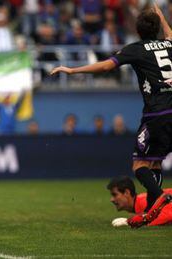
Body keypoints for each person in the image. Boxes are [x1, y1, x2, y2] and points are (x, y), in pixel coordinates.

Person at [50, 4, 172, 227]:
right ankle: (154, 209)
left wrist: (72, 70)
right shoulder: (169, 43)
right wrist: (162, 16)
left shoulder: (136, 49)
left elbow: (106, 66)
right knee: (154, 162)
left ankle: (161, 197)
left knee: (139, 165)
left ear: (137, 30)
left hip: (158, 112)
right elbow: (169, 34)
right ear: (157, 28)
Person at [107, 176, 172, 227]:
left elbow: (168, 215)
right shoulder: (142, 202)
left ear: (126, 192)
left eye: (115, 195)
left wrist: (133, 222)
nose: (112, 199)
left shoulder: (145, 201)